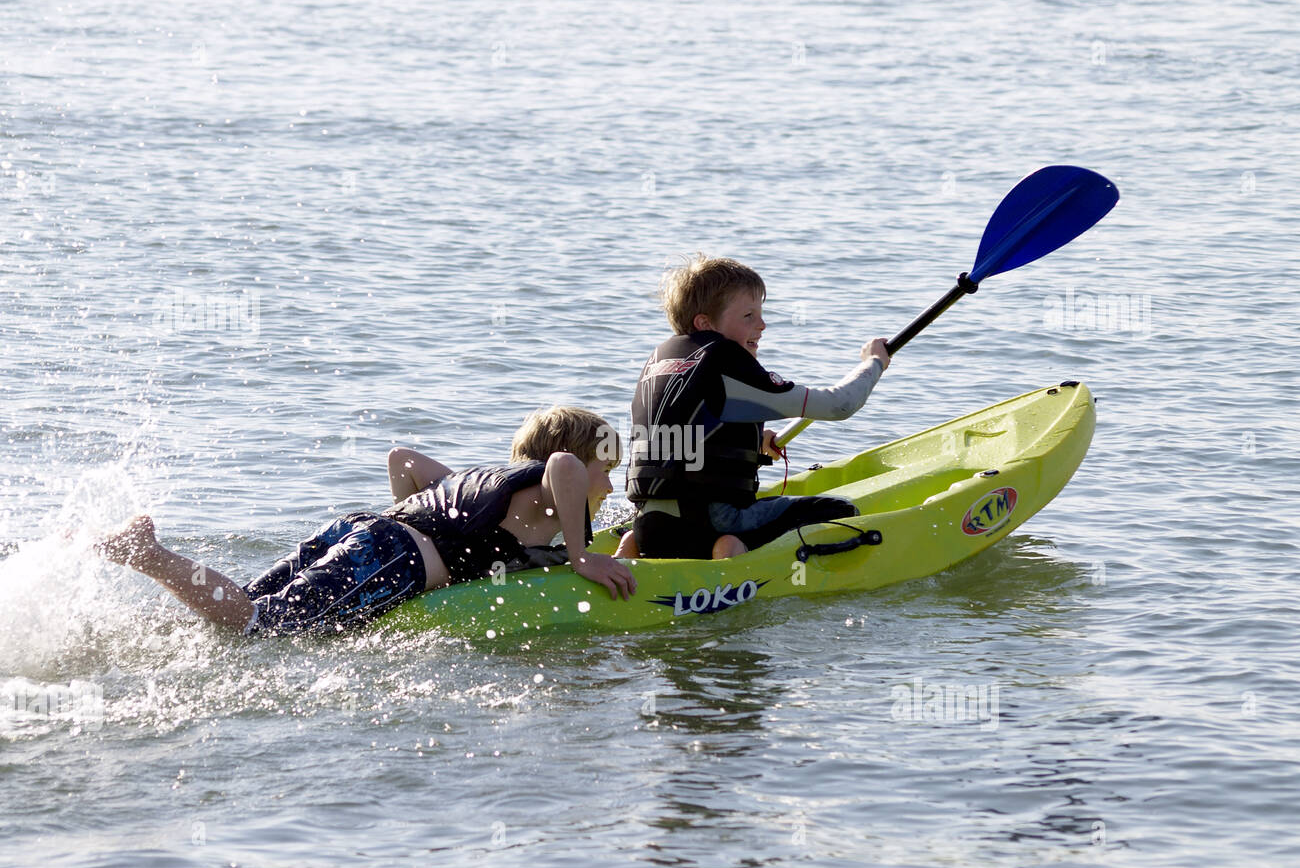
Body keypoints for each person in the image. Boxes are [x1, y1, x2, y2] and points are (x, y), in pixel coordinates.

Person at [96, 406, 636, 634]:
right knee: (258, 627)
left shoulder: (487, 488)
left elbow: (402, 458)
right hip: (388, 555)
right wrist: (584, 555)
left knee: (241, 606)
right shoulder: (547, 491)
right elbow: (565, 466)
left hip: (361, 530)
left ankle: (145, 609)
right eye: (605, 471)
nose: (609, 485)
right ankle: (149, 554)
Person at [621, 255, 891, 560]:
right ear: (705, 323)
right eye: (748, 316)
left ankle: (631, 547)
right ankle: (731, 552)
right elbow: (839, 405)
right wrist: (874, 362)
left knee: (670, 521)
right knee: (841, 511)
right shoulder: (726, 360)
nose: (762, 326)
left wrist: (751, 440)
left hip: (650, 523)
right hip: (711, 523)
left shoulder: (661, 362)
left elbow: (687, 430)